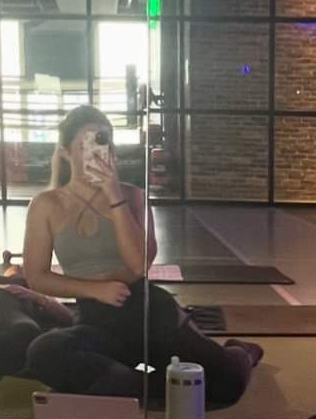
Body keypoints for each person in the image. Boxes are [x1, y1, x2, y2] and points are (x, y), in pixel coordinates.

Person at [22, 105, 263, 404]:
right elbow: (37, 277)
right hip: (95, 321)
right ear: (65, 153)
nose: (95, 154)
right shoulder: (46, 205)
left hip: (150, 315)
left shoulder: (132, 196)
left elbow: (139, 265)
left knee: (228, 381)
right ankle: (152, 384)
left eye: (103, 143)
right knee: (43, 352)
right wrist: (95, 290)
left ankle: (241, 352)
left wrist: (113, 195)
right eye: (84, 146)